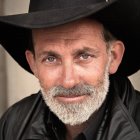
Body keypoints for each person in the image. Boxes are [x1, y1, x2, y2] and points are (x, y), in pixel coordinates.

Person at [0, 0, 140, 139]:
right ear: (33, 64)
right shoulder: (12, 125)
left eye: (84, 56)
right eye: (51, 58)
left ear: (113, 57)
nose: (68, 82)